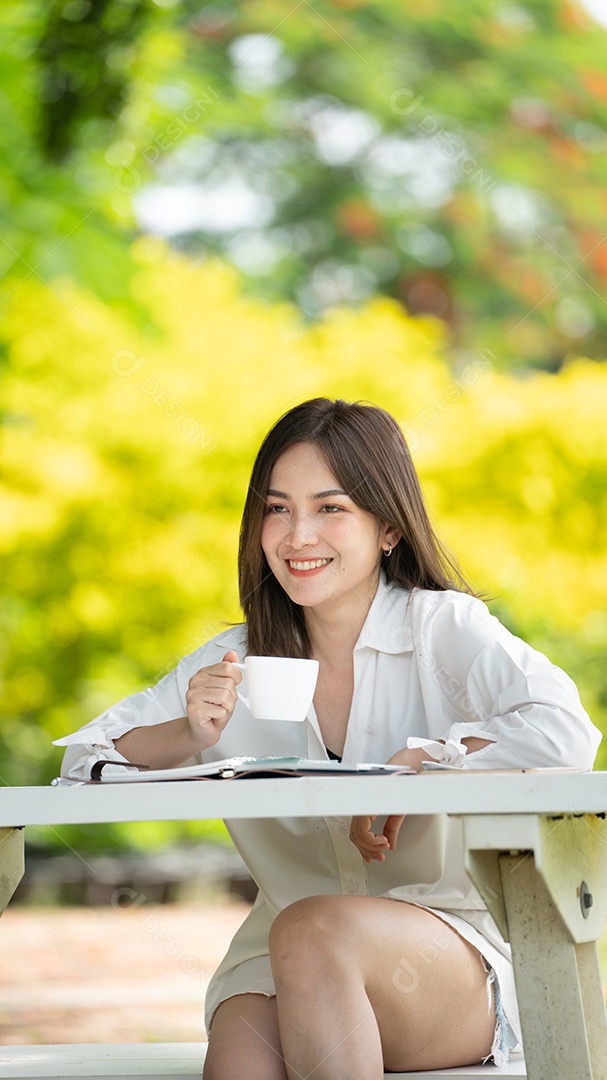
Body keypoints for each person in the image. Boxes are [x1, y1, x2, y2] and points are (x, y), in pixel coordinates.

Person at [56, 397, 601, 1079]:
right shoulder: (234, 660)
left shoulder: (443, 630)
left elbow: (564, 730)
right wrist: (188, 732)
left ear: (388, 530)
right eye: (276, 508)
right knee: (244, 1059)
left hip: (446, 952)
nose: (296, 535)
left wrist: (423, 765)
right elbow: (84, 763)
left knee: (314, 930)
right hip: (276, 953)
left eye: (330, 508)